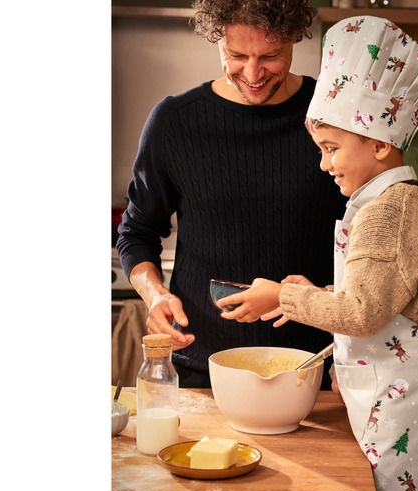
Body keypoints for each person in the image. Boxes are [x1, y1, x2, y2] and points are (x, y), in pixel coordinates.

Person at [217, 15, 418, 491]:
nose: (325, 163)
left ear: (379, 143)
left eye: (331, 148)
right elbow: (384, 296)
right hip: (400, 387)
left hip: (405, 395)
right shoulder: (397, 199)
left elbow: (362, 314)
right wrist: (322, 291)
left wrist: (282, 295)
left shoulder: (386, 211)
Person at [115, 0, 345, 388]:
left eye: (270, 55)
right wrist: (154, 295)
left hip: (317, 374)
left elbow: (368, 240)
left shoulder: (334, 115)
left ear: (293, 39)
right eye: (235, 55)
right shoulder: (174, 122)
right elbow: (136, 234)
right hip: (202, 373)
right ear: (217, 39)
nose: (252, 73)